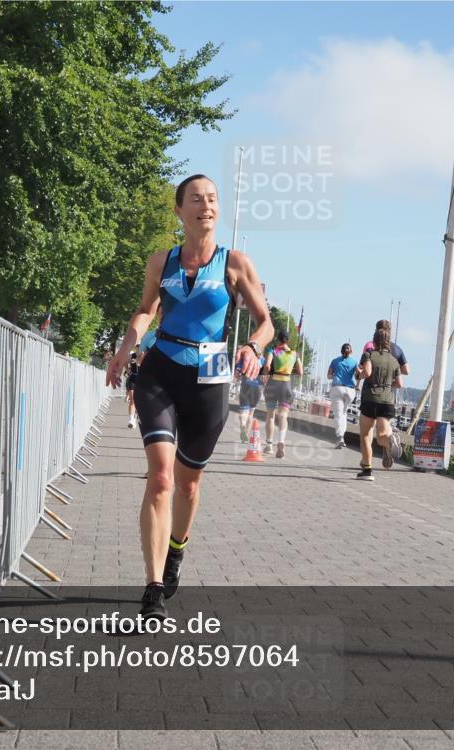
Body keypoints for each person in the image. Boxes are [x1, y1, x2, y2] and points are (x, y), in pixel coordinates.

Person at [106, 174, 273, 619]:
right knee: (160, 478)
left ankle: (177, 548)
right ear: (180, 211)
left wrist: (253, 347)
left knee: (188, 482)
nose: (206, 205)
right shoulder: (161, 262)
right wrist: (126, 349)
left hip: (211, 376)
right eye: (196, 199)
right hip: (160, 369)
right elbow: (146, 310)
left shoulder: (235, 263)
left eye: (213, 198)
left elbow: (266, 322)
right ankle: (153, 585)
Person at [355, 328, 403, 480]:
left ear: (374, 342)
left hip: (370, 399)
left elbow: (367, 372)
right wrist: (387, 386)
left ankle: (367, 471)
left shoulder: (368, 355)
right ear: (388, 343)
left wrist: (359, 375)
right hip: (387, 401)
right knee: (382, 435)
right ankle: (390, 441)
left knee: (365, 435)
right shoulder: (394, 360)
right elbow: (399, 383)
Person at [262, 330, 303, 458]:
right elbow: (301, 372)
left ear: (278, 340)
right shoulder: (294, 353)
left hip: (273, 383)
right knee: (283, 416)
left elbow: (268, 366)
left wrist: (265, 374)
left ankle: (269, 445)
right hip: (287, 384)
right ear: (288, 340)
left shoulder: (272, 351)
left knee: (270, 414)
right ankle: (281, 440)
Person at [327, 343, 359, 448]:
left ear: (341, 350)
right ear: (351, 351)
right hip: (350, 391)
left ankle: (340, 437)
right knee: (344, 414)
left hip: (337, 388)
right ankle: (342, 438)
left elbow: (329, 375)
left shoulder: (335, 361)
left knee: (338, 414)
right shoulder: (354, 362)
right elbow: (359, 374)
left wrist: (336, 375)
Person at [238, 353, 267, 442]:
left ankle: (243, 427)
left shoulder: (247, 357)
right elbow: (265, 378)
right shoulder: (263, 361)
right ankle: (246, 434)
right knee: (251, 413)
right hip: (256, 388)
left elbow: (239, 372)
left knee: (243, 411)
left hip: (246, 386)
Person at [123, 346, 140, 429]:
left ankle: (136, 417)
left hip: (144, 379)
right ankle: (131, 420)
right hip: (133, 378)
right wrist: (127, 369)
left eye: (140, 347)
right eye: (137, 347)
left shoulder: (146, 354)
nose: (138, 348)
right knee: (132, 399)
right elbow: (124, 361)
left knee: (140, 401)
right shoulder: (132, 355)